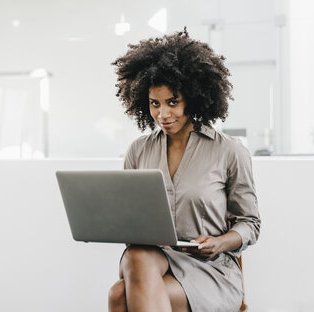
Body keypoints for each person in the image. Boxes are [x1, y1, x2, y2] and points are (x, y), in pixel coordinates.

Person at [107, 28, 261, 312]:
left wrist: (219, 242)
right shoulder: (138, 151)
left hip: (210, 267)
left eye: (172, 102)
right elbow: (128, 218)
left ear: (193, 97)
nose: (162, 114)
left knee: (120, 295)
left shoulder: (229, 151)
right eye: (155, 103)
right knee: (136, 255)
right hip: (155, 259)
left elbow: (249, 224)